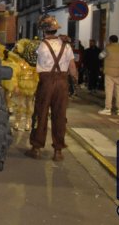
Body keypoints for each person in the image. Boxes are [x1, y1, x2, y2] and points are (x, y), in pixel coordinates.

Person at [25, 15, 77, 162]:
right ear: (55, 30)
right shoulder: (66, 45)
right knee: (60, 115)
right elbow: (73, 68)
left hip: (46, 82)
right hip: (62, 82)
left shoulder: (39, 46)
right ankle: (58, 151)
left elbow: (31, 62)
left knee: (40, 113)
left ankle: (36, 148)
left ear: (43, 31)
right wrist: (74, 83)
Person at [98, 35, 119, 116]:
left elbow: (100, 56)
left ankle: (108, 108)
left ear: (110, 41)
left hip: (109, 72)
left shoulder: (108, 48)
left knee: (109, 90)